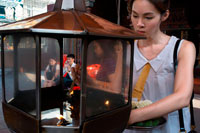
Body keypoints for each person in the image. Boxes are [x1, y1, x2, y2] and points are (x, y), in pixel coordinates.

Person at [124, 0, 196, 132]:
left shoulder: (182, 48)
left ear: (165, 15)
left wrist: (132, 116)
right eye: (134, 16)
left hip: (169, 128)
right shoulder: (125, 48)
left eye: (148, 17)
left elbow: (182, 97)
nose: (139, 24)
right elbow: (116, 90)